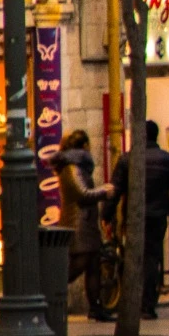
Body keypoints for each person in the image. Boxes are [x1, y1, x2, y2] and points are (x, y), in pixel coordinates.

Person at [110, 120, 169, 320]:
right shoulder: (168, 160)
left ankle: (129, 301)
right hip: (157, 216)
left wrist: (107, 215)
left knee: (133, 257)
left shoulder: (126, 159)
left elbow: (115, 190)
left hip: (133, 217)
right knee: (151, 258)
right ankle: (147, 304)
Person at [54, 129, 114, 322]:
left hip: (86, 223)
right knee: (79, 264)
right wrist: (104, 192)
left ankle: (96, 307)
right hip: (79, 223)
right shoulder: (73, 168)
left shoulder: (76, 166)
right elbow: (82, 193)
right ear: (84, 145)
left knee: (94, 265)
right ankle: (52, 289)